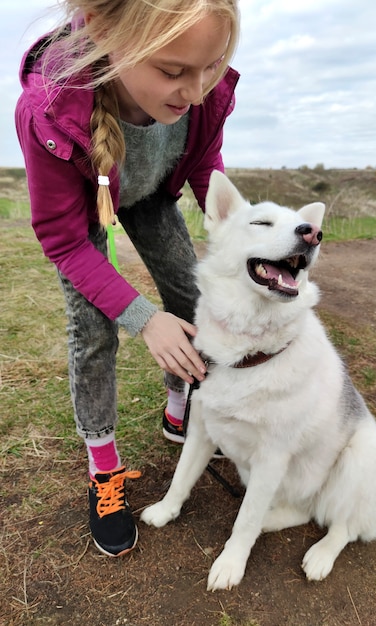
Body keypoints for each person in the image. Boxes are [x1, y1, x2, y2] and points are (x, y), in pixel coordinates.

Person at [15, 0, 240, 558]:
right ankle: (104, 471)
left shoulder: (203, 90)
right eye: (171, 71)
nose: (194, 90)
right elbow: (63, 239)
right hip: (83, 215)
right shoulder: (48, 109)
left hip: (147, 200)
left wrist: (250, 237)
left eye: (209, 67)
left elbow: (205, 169)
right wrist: (142, 319)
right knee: (94, 332)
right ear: (106, 33)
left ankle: (178, 412)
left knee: (194, 300)